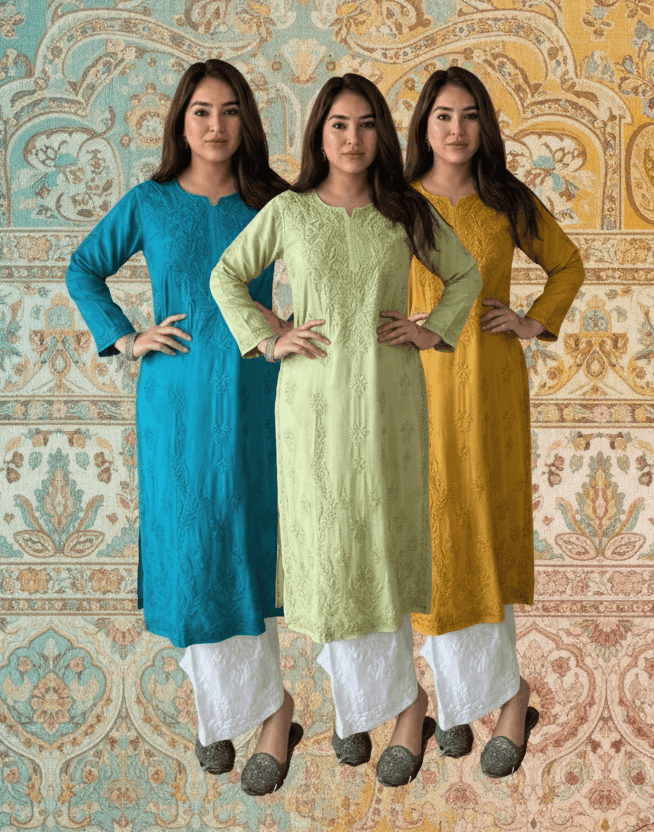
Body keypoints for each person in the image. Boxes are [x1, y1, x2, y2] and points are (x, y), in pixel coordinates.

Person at [209, 73, 482, 788]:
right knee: (328, 556)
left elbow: (466, 277)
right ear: (318, 135)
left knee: (380, 548)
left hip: (389, 405)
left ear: (382, 136)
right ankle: (355, 707)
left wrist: (431, 332)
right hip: (311, 411)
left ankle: (403, 707)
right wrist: (270, 338)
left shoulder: (405, 213)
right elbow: (227, 277)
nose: (353, 139)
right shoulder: (292, 211)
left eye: (365, 125)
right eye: (338, 125)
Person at [64, 59, 300, 795]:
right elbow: (83, 268)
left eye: (230, 111)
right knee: (187, 546)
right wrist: (127, 337)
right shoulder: (150, 201)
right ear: (181, 120)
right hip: (172, 398)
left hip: (253, 392)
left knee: (238, 539)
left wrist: (293, 325)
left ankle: (265, 714)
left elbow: (332, 263)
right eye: (202, 111)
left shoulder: (273, 202)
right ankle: (228, 710)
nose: (217, 125)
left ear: (247, 121)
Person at [403, 66, 586, 777]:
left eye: (469, 115)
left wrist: (534, 322)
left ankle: (508, 701)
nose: (456, 129)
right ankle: (450, 700)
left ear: (485, 127)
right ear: (423, 125)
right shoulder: (399, 204)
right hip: (414, 389)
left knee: (479, 528)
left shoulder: (507, 201)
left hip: (489, 387)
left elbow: (567, 265)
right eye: (443, 115)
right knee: (425, 534)